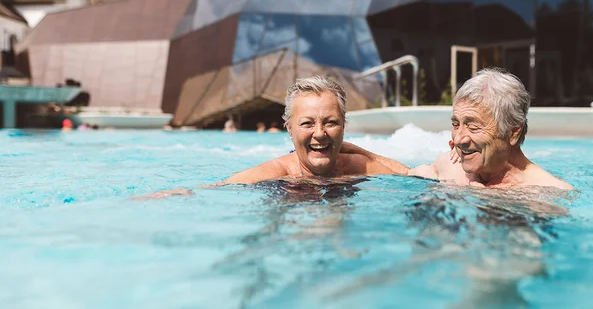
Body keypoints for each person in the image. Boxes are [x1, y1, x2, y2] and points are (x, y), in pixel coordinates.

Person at [136, 76, 408, 199]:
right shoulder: (276, 172)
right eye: (307, 123)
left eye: (331, 123)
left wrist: (364, 153)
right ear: (288, 128)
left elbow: (412, 176)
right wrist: (181, 192)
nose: (320, 133)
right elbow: (220, 187)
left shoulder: (358, 165)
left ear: (344, 126)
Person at [344, 68, 573, 190]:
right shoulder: (451, 166)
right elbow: (404, 174)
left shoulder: (546, 193)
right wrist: (344, 151)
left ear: (513, 132)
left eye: (473, 126)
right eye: (456, 124)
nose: (460, 139)